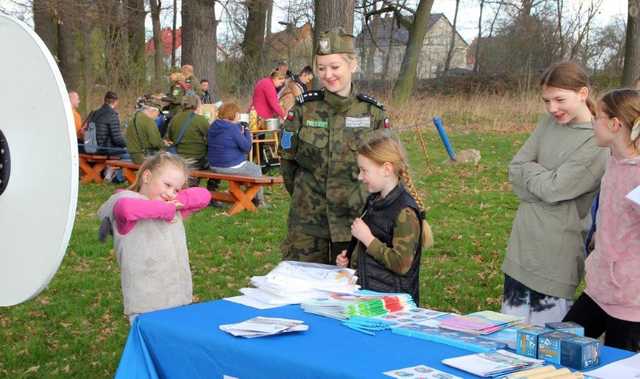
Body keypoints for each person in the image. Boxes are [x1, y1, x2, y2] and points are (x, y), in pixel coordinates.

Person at [501, 61, 609, 325]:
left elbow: (555, 189)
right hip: (520, 250)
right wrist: (544, 180)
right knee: (508, 344)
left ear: (583, 94)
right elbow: (515, 168)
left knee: (546, 349)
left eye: (559, 99)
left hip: (555, 258)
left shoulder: (597, 141)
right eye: (546, 101)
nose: (552, 108)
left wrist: (535, 178)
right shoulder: (547, 123)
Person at [278, 27, 390, 264]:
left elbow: (387, 169)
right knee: (303, 291)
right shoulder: (303, 109)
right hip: (307, 225)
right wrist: (305, 198)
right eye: (321, 68)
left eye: (335, 67)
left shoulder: (373, 114)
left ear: (353, 65)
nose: (328, 75)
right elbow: (288, 164)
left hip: (356, 222)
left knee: (350, 293)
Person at [562, 89, 640, 352]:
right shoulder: (614, 160)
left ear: (615, 124)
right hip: (599, 290)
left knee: (617, 370)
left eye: (597, 117)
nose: (592, 122)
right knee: (559, 349)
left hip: (631, 304)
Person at [97, 152, 211, 324]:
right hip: (146, 304)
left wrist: (177, 201)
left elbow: (204, 196)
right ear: (147, 176)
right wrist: (167, 210)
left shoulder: (173, 203)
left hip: (178, 297)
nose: (171, 193)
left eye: (177, 189)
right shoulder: (125, 201)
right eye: (167, 185)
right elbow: (126, 209)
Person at [335, 135, 433, 305]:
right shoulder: (374, 201)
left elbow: (401, 264)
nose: (359, 177)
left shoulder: (405, 212)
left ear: (387, 169)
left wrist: (367, 239)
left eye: (364, 170)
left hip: (394, 305)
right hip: (372, 298)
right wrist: (349, 262)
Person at [207, 103, 265, 206]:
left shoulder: (213, 126)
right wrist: (246, 131)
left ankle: (244, 196)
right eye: (238, 114)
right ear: (233, 114)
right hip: (229, 166)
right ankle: (258, 201)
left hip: (214, 165)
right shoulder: (232, 128)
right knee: (256, 169)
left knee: (246, 169)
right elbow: (247, 147)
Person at [166, 94, 210, 179]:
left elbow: (170, 137)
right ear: (197, 105)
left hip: (178, 158)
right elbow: (211, 138)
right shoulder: (200, 119)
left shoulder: (175, 118)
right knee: (218, 162)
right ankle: (212, 187)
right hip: (197, 160)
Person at [126, 97, 167, 164]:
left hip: (134, 155)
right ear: (153, 111)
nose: (157, 116)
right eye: (158, 113)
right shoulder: (149, 121)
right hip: (143, 157)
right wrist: (164, 144)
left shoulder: (134, 118)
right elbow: (155, 143)